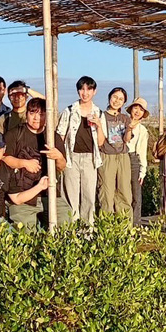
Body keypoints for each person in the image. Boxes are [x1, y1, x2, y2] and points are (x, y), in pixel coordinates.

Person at [3, 98, 68, 228]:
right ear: (26, 114)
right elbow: (4, 158)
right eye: (32, 113)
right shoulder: (14, 134)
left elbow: (62, 166)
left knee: (66, 222)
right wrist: (23, 163)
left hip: (49, 195)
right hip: (22, 196)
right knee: (26, 233)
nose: (37, 117)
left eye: (41, 114)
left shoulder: (53, 137)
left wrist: (59, 157)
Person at [56, 76, 106, 225]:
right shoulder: (70, 111)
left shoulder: (99, 113)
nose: (85, 93)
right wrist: (61, 158)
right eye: (82, 89)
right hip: (71, 158)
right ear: (78, 91)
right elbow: (61, 135)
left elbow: (101, 142)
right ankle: (70, 233)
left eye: (88, 89)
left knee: (89, 197)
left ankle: (87, 233)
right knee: (70, 197)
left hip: (90, 159)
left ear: (94, 91)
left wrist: (98, 125)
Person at [98, 87, 133, 219]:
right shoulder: (101, 116)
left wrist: (129, 129)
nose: (116, 101)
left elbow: (126, 139)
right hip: (107, 156)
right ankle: (107, 227)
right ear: (109, 97)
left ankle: (125, 227)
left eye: (120, 99)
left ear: (124, 103)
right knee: (107, 192)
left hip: (123, 156)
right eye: (115, 97)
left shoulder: (125, 118)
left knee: (124, 191)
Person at [125, 98, 151, 225]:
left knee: (136, 194)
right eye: (136, 108)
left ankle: (135, 224)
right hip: (120, 157)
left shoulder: (142, 130)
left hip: (134, 159)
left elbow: (142, 152)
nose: (137, 112)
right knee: (122, 194)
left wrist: (143, 171)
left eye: (141, 110)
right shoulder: (122, 122)